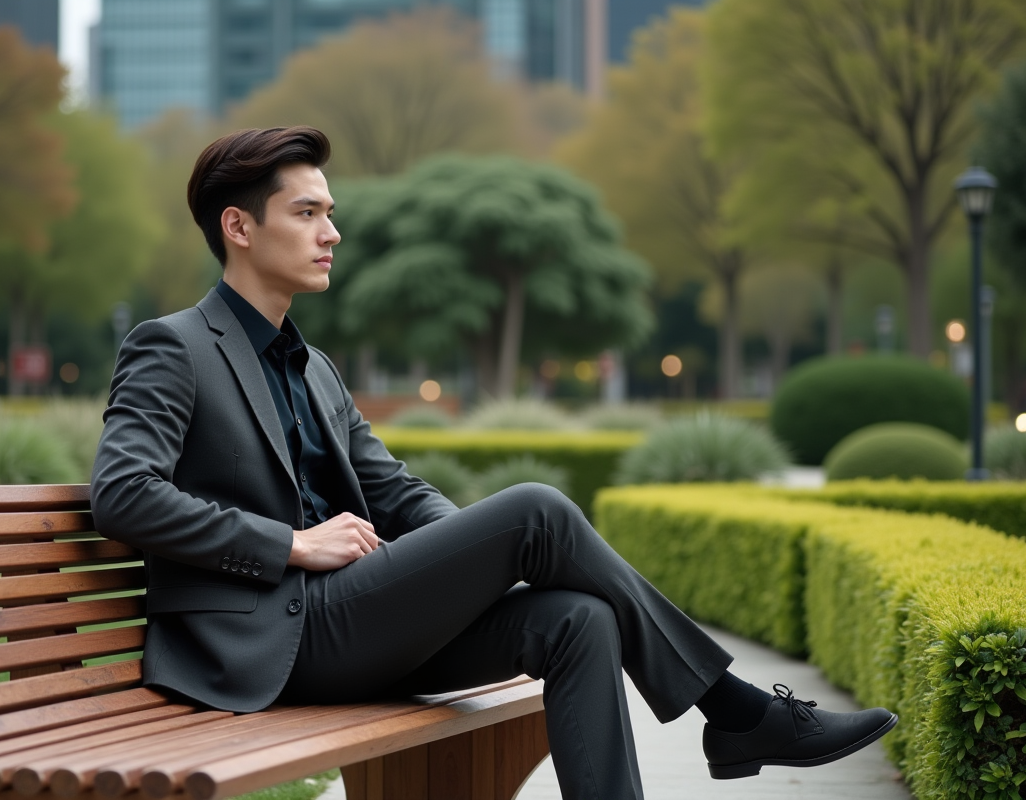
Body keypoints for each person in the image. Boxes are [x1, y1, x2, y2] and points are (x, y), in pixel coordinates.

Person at [90, 126, 897, 799]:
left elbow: (396, 493)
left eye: (330, 212)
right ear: (239, 227)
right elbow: (123, 496)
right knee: (538, 508)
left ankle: (727, 722)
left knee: (580, 620)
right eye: (307, 213)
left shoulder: (314, 366)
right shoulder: (174, 347)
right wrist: (291, 544)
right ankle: (732, 707)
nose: (332, 232)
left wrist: (476, 574)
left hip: (350, 621)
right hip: (270, 641)